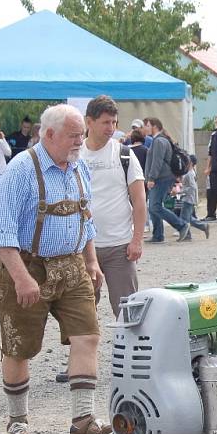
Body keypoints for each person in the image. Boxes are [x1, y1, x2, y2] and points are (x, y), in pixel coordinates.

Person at [0, 103, 114, 434]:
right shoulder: (20, 170)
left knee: (87, 336)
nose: (79, 141)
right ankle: (17, 422)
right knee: (18, 346)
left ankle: (83, 423)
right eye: (73, 136)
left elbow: (86, 219)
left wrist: (91, 261)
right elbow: (0, 232)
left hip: (71, 264)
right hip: (27, 267)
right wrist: (21, 278)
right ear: (49, 134)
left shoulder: (78, 167)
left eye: (80, 135)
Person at [81, 95, 146, 318]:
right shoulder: (74, 155)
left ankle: (128, 353)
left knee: (128, 313)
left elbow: (139, 201)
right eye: (106, 122)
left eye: (114, 122)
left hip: (119, 247)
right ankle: (86, 353)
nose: (111, 128)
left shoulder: (124, 154)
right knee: (82, 315)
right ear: (89, 122)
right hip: (82, 247)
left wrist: (137, 240)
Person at [144, 117, 190, 243]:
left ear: (154, 126)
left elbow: (157, 161)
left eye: (147, 125)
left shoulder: (159, 141)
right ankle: (158, 235)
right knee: (154, 206)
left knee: (155, 206)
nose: (145, 128)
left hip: (161, 178)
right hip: (163, 177)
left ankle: (181, 225)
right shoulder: (161, 140)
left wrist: (151, 178)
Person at [179, 156, 210, 239]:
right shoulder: (190, 173)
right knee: (188, 218)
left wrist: (181, 191)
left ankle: (187, 235)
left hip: (188, 198)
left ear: (191, 163)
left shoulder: (190, 173)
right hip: (188, 198)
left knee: (184, 218)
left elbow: (192, 187)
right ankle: (203, 226)